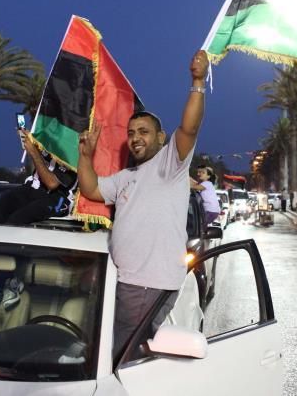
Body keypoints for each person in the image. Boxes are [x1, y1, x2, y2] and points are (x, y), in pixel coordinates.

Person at [77, 49, 207, 357]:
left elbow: (189, 128)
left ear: (161, 138)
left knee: (122, 357)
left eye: (144, 132)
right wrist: (85, 155)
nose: (136, 138)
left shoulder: (170, 165)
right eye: (131, 133)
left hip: (146, 283)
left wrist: (198, 82)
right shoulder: (127, 176)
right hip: (128, 281)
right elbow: (91, 189)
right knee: (125, 352)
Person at [0, 130, 76, 225]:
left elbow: (51, 184)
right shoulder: (47, 141)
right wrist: (29, 138)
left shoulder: (72, 153)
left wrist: (33, 151)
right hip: (33, 187)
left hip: (58, 198)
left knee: (18, 218)